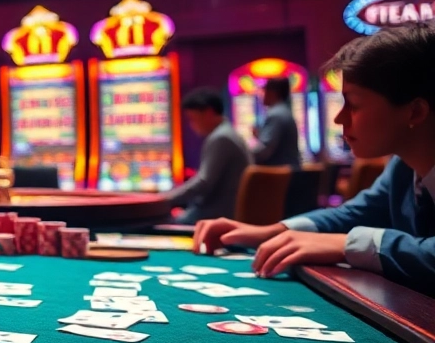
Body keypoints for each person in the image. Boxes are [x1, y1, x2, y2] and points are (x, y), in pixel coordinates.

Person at [193, 22, 435, 295]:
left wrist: (346, 245)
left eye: (353, 104)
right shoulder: (402, 165)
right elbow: (356, 213)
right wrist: (272, 231)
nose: (338, 118)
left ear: (414, 112)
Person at [162, 87, 251, 224]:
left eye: (193, 119)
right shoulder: (228, 133)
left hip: (217, 216)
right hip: (221, 211)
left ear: (209, 112)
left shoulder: (221, 138)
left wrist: (164, 199)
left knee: (152, 224)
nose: (192, 125)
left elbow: (204, 182)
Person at [252, 77, 301, 167]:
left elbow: (264, 151)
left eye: (264, 91)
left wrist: (242, 152)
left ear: (273, 93)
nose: (261, 95)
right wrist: (259, 136)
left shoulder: (275, 115)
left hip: (282, 176)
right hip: (289, 172)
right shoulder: (283, 111)